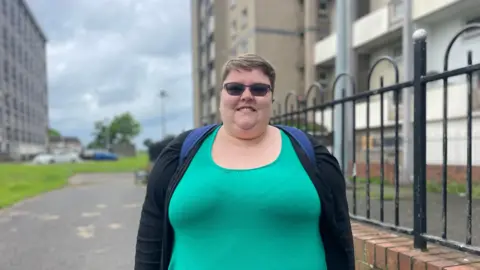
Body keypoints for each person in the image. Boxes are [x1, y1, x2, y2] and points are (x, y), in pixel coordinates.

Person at [134, 53, 354, 270]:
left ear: (271, 98)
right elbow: (151, 237)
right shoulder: (181, 153)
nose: (247, 95)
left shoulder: (310, 153)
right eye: (235, 88)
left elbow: (341, 234)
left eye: (259, 89)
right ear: (221, 97)